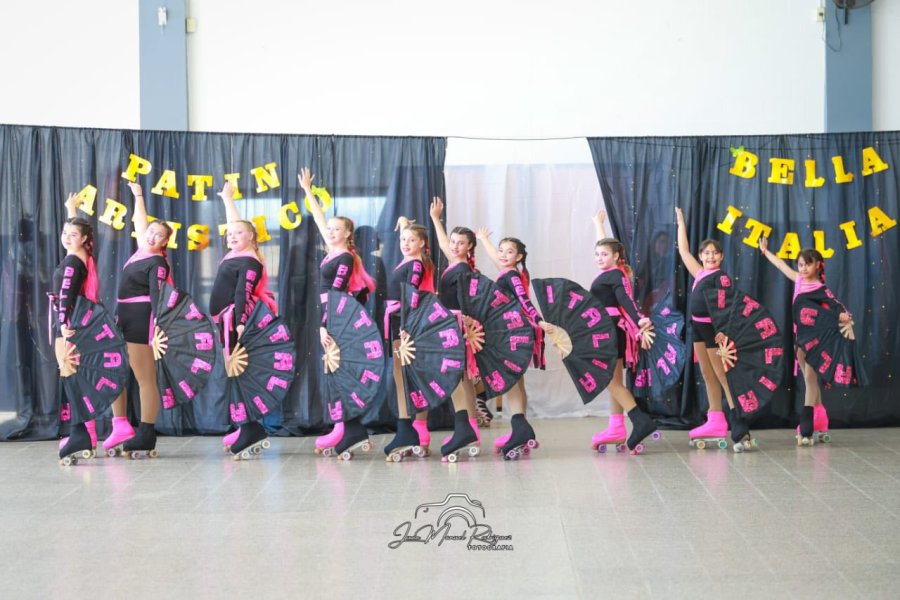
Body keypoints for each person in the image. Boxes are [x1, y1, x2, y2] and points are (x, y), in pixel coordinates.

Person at [298, 168, 376, 458]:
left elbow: (337, 294)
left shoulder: (344, 257)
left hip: (339, 323)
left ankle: (353, 428)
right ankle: (343, 425)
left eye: (335, 229)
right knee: (335, 372)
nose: (329, 231)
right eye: (328, 229)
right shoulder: (333, 252)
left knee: (341, 372)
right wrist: (308, 191)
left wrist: (324, 325)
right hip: (333, 320)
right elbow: (320, 222)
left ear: (347, 234)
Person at [103, 182, 174, 458]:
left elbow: (158, 296)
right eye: (152, 232)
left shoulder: (157, 262)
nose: (153, 236)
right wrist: (138, 196)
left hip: (141, 319)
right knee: (116, 372)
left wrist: (156, 327)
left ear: (165, 242)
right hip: (122, 316)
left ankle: (146, 432)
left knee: (145, 377)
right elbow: (141, 221)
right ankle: (120, 423)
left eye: (159, 235)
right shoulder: (141, 251)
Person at [675, 207, 755, 451]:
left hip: (713, 331)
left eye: (714, 253)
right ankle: (715, 419)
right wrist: (681, 222)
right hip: (697, 329)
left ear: (721, 257)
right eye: (706, 253)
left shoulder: (722, 278)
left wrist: (724, 330)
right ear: (701, 256)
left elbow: (727, 307)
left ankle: (738, 421)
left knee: (722, 375)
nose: (710, 256)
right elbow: (683, 250)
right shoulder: (699, 273)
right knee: (707, 374)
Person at [212, 181, 281, 458]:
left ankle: (251, 427)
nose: (232, 236)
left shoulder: (249, 261)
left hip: (236, 321)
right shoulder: (238, 253)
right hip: (228, 319)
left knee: (240, 372)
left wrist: (240, 323)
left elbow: (243, 292)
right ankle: (244, 425)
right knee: (234, 372)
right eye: (229, 234)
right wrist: (228, 199)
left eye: (238, 234)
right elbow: (236, 224)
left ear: (252, 237)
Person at [759, 239, 850, 444]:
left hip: (816, 339)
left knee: (810, 376)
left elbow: (836, 305)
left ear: (818, 264)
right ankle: (820, 416)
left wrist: (844, 315)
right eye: (800, 264)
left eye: (808, 264)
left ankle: (807, 421)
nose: (803, 268)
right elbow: (782, 265)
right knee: (808, 377)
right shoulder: (799, 281)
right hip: (800, 336)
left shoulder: (820, 289)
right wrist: (766, 251)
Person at [588, 211, 660, 454]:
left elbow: (626, 300)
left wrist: (639, 319)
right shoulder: (609, 272)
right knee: (615, 381)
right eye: (596, 254)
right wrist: (599, 225)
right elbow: (605, 247)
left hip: (610, 331)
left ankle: (640, 421)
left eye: (604, 255)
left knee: (610, 381)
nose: (599, 257)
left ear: (617, 257)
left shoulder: (616, 275)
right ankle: (616, 427)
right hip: (608, 330)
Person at [476, 229, 551, 458]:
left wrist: (538, 319)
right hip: (513, 331)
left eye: (509, 252)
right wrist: (484, 241)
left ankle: (520, 429)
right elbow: (496, 259)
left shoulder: (511, 276)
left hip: (513, 333)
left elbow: (523, 299)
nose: (503, 255)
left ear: (518, 256)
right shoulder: (509, 272)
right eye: (501, 251)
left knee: (510, 380)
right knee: (516, 381)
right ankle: (521, 429)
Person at [429, 197, 481, 457]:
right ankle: (471, 429)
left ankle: (465, 429)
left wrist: (465, 324)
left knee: (457, 378)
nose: (455, 246)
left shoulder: (462, 270)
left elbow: (466, 302)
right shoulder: (456, 263)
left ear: (470, 246)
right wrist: (436, 219)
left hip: (455, 325)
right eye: (453, 242)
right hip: (451, 323)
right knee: (464, 380)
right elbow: (441, 243)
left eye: (461, 243)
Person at [382, 217, 436, 460]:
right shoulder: (410, 260)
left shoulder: (415, 265)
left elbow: (412, 296)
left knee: (406, 377)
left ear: (422, 243)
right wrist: (403, 221)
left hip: (404, 324)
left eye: (411, 239)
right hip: (399, 320)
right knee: (404, 377)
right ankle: (414, 430)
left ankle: (412, 429)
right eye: (403, 239)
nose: (405, 242)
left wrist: (405, 326)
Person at [54, 193, 101, 461]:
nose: (66, 236)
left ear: (84, 239)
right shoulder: (80, 255)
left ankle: (80, 432)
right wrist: (71, 210)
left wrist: (62, 323)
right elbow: (74, 237)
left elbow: (67, 294)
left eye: (73, 234)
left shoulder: (74, 260)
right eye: (64, 232)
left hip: (69, 325)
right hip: (75, 324)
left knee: (72, 379)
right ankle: (86, 433)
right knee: (77, 379)